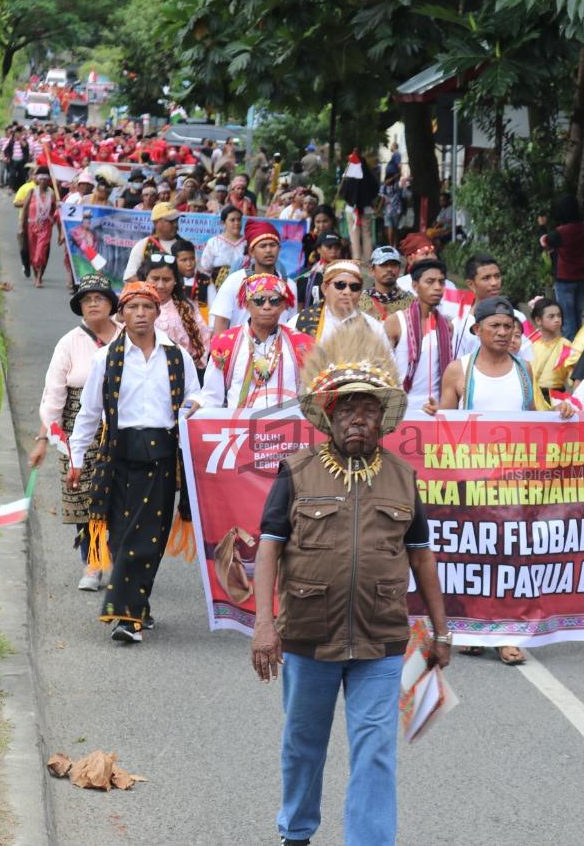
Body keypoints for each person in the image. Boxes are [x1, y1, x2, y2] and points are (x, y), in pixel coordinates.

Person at [249, 321, 450, 846]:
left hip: (380, 640)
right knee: (302, 743)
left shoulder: (403, 477)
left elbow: (421, 556)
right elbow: (269, 545)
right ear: (329, 417)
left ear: (383, 420)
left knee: (376, 749)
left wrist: (441, 631)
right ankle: (296, 832)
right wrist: (264, 627)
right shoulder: (296, 472)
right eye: (347, 409)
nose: (358, 420)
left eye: (368, 410)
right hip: (307, 637)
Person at [438, 297, 574, 666]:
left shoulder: (524, 370)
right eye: (494, 326)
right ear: (477, 330)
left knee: (512, 556)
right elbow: (442, 430)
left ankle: (507, 633)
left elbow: (536, 418)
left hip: (516, 481)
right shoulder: (459, 370)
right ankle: (469, 630)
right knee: (471, 557)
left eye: (508, 326)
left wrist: (561, 411)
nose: (502, 332)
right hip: (470, 480)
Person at [67, 281, 201, 643]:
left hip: (160, 458)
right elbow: (90, 412)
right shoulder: (106, 358)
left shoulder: (177, 356)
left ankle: (132, 611)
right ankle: (130, 615)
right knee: (124, 537)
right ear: (121, 314)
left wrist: (191, 409)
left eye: (147, 307)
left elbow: (195, 397)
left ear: (158, 313)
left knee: (150, 540)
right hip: (118, 456)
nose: (140, 314)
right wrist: (76, 458)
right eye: (132, 308)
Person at [28, 276, 123, 590]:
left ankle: (123, 561)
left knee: (123, 497)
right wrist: (43, 438)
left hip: (122, 428)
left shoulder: (129, 338)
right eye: (86, 299)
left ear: (111, 303)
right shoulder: (69, 342)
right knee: (85, 499)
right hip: (77, 429)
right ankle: (93, 564)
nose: (93, 303)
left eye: (99, 298)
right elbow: (53, 395)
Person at [189, 273, 314, 412]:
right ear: (247, 304)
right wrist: (198, 402)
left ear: (283, 306)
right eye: (259, 300)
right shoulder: (225, 343)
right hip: (239, 431)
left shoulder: (302, 344)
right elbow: (211, 399)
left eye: (274, 301)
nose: (266, 306)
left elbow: (309, 396)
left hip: (287, 427)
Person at [385, 259, 453, 412]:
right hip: (400, 410)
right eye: (430, 281)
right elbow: (382, 370)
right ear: (415, 286)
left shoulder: (447, 326)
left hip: (436, 409)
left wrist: (442, 406)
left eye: (441, 282)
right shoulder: (396, 322)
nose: (437, 287)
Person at [139, 251, 210, 377]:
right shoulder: (134, 306)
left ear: (175, 281)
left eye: (167, 280)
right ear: (145, 278)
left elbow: (204, 339)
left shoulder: (187, 308)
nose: (160, 285)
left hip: (182, 375)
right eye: (155, 279)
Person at [450, 255, 532, 361]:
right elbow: (458, 366)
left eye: (497, 276)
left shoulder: (519, 317)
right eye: (486, 278)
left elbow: (528, 359)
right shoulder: (459, 325)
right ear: (471, 284)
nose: (494, 283)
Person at [538, 194, 584, 341]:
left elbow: (544, 241)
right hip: (582, 278)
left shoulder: (562, 232)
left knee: (567, 319)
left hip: (565, 279)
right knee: (577, 316)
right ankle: (580, 348)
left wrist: (542, 226)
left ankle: (571, 353)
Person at [211, 221, 286, 332]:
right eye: (263, 246)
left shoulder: (287, 285)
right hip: (239, 347)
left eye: (273, 245)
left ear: (279, 249)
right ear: (251, 251)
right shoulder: (235, 281)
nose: (269, 250)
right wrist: (220, 349)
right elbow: (221, 322)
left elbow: (288, 324)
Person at [294, 260, 389, 346]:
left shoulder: (374, 328)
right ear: (325, 289)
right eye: (340, 285)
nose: (347, 292)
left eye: (354, 287)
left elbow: (387, 363)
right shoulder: (298, 323)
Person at [19, 166, 61, 288]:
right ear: (37, 179)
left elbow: (56, 213)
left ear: (48, 181)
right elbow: (25, 209)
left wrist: (59, 232)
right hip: (31, 225)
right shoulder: (32, 192)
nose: (43, 181)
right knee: (32, 253)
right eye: (41, 179)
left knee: (41, 251)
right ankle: (36, 274)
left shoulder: (52, 194)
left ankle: (39, 278)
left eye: (45, 179)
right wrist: (22, 227)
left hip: (46, 226)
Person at [527, 297, 573, 409]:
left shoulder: (567, 345)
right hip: (532, 398)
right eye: (551, 316)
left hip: (557, 400)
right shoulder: (529, 344)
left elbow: (573, 377)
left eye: (559, 315)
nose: (557, 320)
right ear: (538, 320)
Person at [198, 205, 247, 308]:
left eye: (239, 220)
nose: (237, 223)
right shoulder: (214, 242)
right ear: (223, 223)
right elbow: (206, 268)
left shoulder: (247, 243)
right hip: (219, 289)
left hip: (244, 288)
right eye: (232, 220)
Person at [123, 203, 183, 281]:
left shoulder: (185, 245)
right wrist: (151, 288)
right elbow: (130, 276)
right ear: (156, 222)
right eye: (170, 221)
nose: (175, 224)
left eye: (176, 220)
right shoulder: (143, 245)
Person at [339, 150, 378, 262]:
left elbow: (343, 193)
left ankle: (356, 259)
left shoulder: (349, 177)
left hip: (351, 209)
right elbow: (375, 190)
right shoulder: (369, 177)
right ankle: (368, 259)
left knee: (353, 234)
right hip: (367, 209)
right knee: (367, 234)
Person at [294, 232, 345, 309]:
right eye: (329, 247)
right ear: (318, 249)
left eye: (337, 247)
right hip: (311, 319)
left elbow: (358, 298)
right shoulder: (307, 275)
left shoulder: (348, 273)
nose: (333, 251)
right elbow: (300, 304)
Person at [362, 246, 414, 320]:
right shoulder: (361, 301)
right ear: (372, 270)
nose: (389, 269)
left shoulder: (411, 301)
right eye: (383, 265)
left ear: (399, 269)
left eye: (394, 265)